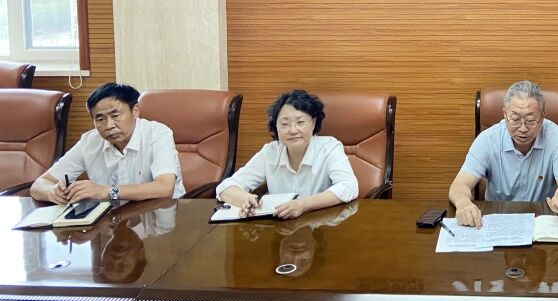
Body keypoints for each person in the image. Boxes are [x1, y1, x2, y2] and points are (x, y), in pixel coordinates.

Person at [449, 80, 558, 227]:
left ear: (543, 116)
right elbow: (460, 184)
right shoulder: (488, 139)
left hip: (543, 221)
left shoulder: (557, 137)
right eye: (515, 119)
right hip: (497, 220)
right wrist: (463, 203)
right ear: (505, 114)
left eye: (530, 120)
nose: (523, 128)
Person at [30, 82, 185, 203]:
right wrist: (52, 193)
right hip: (111, 221)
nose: (109, 125)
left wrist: (108, 191)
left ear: (135, 111)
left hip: (160, 218)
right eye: (100, 119)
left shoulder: (158, 134)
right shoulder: (90, 142)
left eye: (115, 115)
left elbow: (164, 188)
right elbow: (39, 184)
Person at [216, 90, 358, 219]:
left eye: (300, 122)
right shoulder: (270, 152)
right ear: (276, 126)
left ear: (313, 123)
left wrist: (303, 204)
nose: (293, 130)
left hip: (321, 226)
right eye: (284, 124)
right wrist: (246, 200)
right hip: (280, 228)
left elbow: (349, 186)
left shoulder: (329, 148)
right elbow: (225, 187)